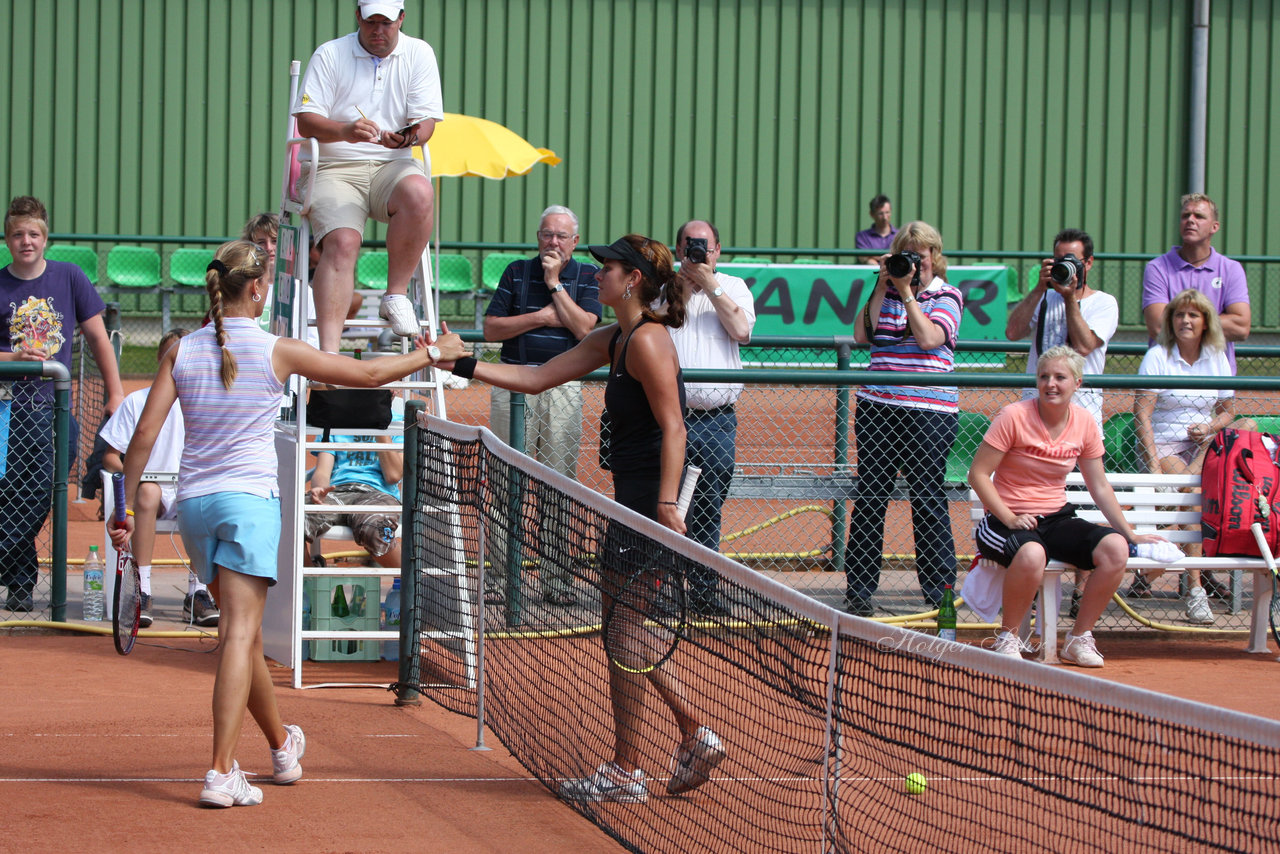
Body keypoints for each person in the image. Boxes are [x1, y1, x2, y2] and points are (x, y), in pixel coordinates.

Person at [108, 239, 465, 807]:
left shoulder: (182, 350)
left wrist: (123, 509)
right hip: (247, 506)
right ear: (257, 289)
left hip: (197, 511)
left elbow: (144, 437)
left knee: (241, 643)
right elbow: (369, 375)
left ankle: (280, 747)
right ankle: (221, 772)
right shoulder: (279, 350)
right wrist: (431, 353)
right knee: (237, 637)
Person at [440, 234, 727, 804]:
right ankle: (694, 731)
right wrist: (465, 361)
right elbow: (535, 377)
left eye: (609, 268)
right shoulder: (613, 337)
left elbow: (676, 428)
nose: (598, 275)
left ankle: (631, 766)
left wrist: (667, 506)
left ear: (635, 279)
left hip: (649, 505)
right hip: (632, 502)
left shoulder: (647, 342)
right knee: (622, 630)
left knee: (621, 631)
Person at [968, 346, 1167, 667]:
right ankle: (1008, 638)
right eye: (1044, 376)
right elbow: (977, 473)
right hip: (1003, 521)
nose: (1051, 384)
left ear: (1078, 383)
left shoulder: (1085, 422)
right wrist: (1009, 516)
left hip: (1056, 518)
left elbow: (1099, 485)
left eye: (1060, 377)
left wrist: (1130, 534)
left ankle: (1077, 639)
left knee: (1116, 548)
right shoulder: (1013, 416)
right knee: (1032, 553)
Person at [293, 0, 444, 353]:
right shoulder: (330, 54)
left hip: (391, 165)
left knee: (420, 191)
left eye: (387, 22)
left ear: (401, 19)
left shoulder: (419, 53)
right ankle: (329, 354)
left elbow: (426, 125)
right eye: (371, 21)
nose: (378, 30)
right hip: (333, 167)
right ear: (358, 17)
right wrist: (346, 130)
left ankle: (396, 295)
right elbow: (306, 121)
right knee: (343, 242)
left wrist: (405, 138)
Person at [0, 196, 124, 613]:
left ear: (46, 238)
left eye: (33, 233)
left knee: (44, 489)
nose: (26, 241)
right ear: (7, 238)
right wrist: (14, 359)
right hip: (6, 409)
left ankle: (3, 552)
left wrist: (116, 391)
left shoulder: (69, 277)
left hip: (51, 408)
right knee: (9, 492)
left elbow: (98, 338)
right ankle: (19, 584)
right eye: (17, 234)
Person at [482, 205, 601, 605]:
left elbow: (585, 327)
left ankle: (556, 581)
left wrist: (554, 283)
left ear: (575, 241)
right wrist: (541, 317)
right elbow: (492, 327)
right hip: (513, 384)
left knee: (558, 485)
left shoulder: (586, 275)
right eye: (547, 234)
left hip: (563, 385)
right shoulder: (516, 271)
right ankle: (501, 578)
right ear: (538, 237)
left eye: (561, 236)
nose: (553, 242)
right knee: (503, 482)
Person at [844, 221, 963, 616]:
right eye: (907, 254)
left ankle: (938, 589)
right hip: (879, 407)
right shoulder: (887, 292)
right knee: (871, 496)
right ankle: (859, 589)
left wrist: (908, 291)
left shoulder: (948, 294)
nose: (914, 261)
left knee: (927, 496)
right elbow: (864, 336)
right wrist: (883, 285)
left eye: (921, 254)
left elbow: (930, 339)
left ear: (934, 256)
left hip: (930, 411)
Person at [1131, 290, 1252, 623]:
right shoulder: (1157, 356)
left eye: (1193, 315)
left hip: (1204, 444)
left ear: (1205, 322)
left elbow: (1228, 413)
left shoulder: (1217, 356)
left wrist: (1209, 426)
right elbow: (1142, 413)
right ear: (1171, 321)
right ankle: (1196, 589)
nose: (1185, 321)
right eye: (1179, 315)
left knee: (1247, 426)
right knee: (1196, 498)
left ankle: (1156, 563)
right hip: (1167, 446)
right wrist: (1154, 462)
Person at [99, 329, 220, 628]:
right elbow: (111, 456)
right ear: (160, 359)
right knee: (148, 493)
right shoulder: (136, 401)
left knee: (204, 497)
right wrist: (129, 477)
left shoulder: (203, 401)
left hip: (189, 490)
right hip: (149, 492)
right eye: (171, 354)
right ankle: (143, 590)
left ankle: (198, 593)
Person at [667, 219, 755, 615]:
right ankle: (665, 590)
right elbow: (662, 320)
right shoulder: (663, 285)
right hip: (670, 418)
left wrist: (710, 283)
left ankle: (703, 593)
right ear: (678, 249)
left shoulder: (733, 286)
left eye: (704, 246)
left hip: (717, 419)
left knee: (708, 507)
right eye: (689, 246)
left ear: (718, 249)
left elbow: (742, 330)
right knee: (666, 505)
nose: (697, 252)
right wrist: (686, 283)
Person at [1005, 229, 1118, 429]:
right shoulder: (1043, 297)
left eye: (1071, 261)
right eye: (1058, 260)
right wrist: (1039, 288)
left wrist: (1069, 298)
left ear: (1088, 263)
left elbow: (1084, 346)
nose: (1065, 267)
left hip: (1081, 415)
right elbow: (1012, 333)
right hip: (1035, 413)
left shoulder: (1104, 302)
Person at [1142, 193, 1250, 370]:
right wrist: (1206, 323)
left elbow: (1241, 327)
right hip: (1167, 374)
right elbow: (1158, 326)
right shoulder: (1158, 268)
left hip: (1216, 376)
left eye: (1199, 216)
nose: (1190, 220)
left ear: (1214, 227)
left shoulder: (1231, 269)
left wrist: (1182, 322)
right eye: (1185, 216)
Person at [305, 398, 405, 571]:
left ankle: (412, 586)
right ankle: (309, 583)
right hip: (337, 492)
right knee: (295, 517)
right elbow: (322, 471)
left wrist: (377, 423)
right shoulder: (334, 421)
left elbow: (393, 475)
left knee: (374, 528)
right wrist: (319, 489)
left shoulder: (401, 424)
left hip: (378, 494)